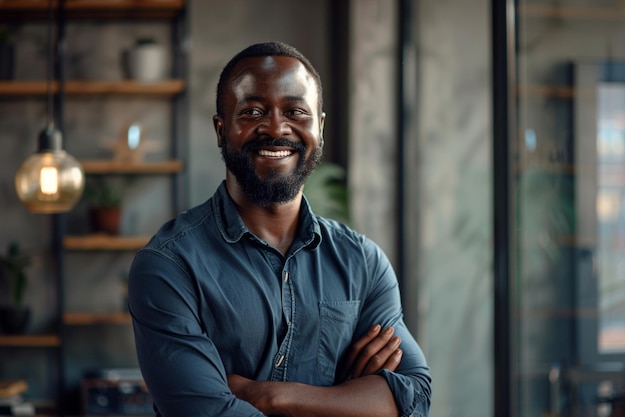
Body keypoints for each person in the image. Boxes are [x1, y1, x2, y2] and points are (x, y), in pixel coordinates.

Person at [128, 41, 431, 417]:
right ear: (221, 130)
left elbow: (414, 399)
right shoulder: (170, 266)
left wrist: (269, 396)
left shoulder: (362, 263)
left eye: (295, 111)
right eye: (253, 111)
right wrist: (345, 401)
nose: (275, 127)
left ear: (318, 128)